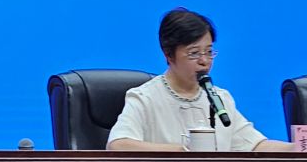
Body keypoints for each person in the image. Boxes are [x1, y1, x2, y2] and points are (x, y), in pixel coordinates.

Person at [108, 8, 291, 154]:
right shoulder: (145, 98)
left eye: (209, 52)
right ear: (168, 54)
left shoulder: (220, 99)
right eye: (194, 53)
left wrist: (299, 148)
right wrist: (182, 152)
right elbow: (118, 145)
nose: (204, 61)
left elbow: (255, 145)